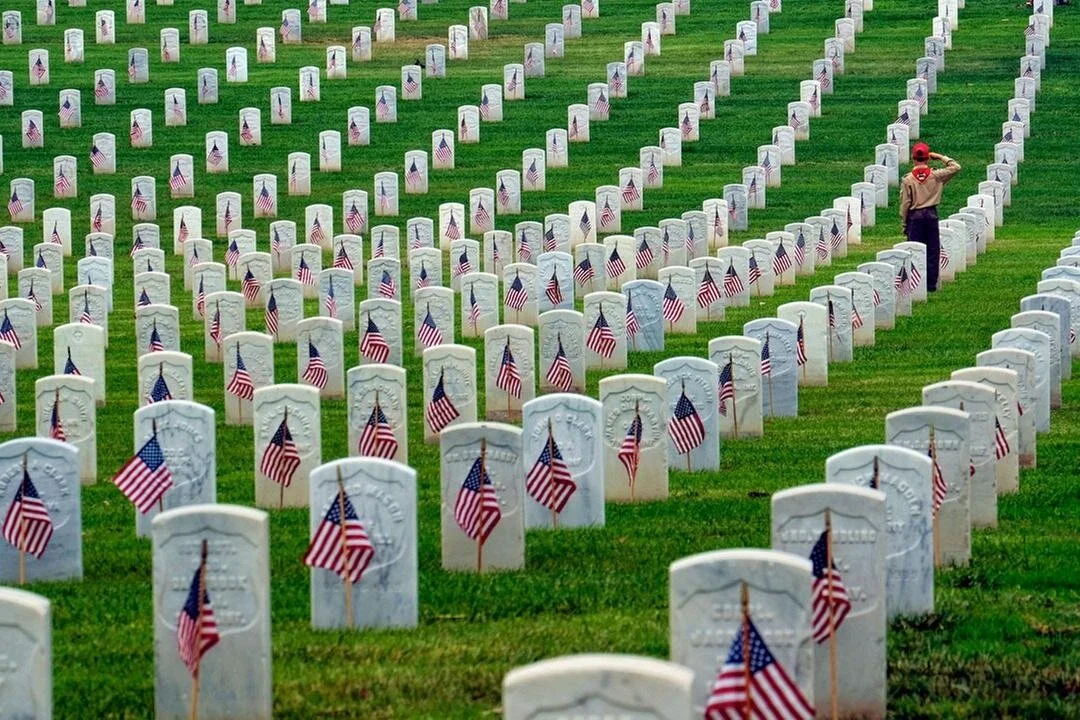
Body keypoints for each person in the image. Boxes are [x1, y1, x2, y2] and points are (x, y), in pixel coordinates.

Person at [899, 142, 961, 292]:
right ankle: (931, 284)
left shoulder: (908, 179)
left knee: (914, 249)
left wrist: (904, 223)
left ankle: (917, 284)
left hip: (915, 217)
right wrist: (940, 157)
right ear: (928, 158)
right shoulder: (936, 176)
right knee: (933, 250)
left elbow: (905, 203)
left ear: (913, 158)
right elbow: (956, 167)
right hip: (931, 215)